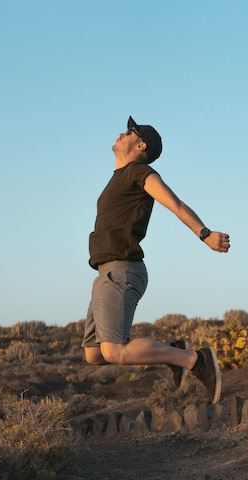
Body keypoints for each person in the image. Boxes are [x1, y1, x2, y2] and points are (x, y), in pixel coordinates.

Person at [82, 116, 230, 403]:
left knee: (114, 350)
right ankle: (174, 354)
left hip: (122, 269)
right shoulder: (119, 177)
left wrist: (205, 234)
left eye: (128, 132)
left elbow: (175, 204)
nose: (120, 134)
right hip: (105, 273)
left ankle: (195, 359)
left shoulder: (141, 172)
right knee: (95, 355)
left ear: (141, 144)